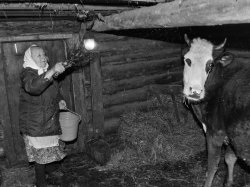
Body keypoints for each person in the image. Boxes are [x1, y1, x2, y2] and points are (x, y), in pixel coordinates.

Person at [19, 44, 67, 187]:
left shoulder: (47, 71)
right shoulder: (28, 73)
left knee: (51, 147)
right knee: (40, 155)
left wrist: (60, 100)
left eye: (44, 54)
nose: (43, 58)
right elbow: (33, 87)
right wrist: (52, 70)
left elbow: (55, 90)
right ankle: (41, 183)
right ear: (30, 58)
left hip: (48, 119)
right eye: (38, 55)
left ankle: (51, 170)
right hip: (35, 123)